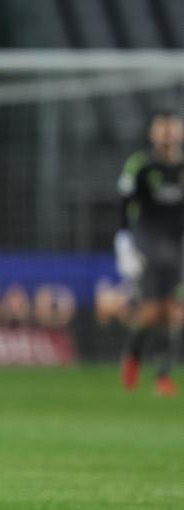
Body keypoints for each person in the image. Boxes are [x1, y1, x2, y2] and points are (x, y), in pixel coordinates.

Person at [116, 110, 184, 397]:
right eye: (162, 128)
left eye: (172, 128)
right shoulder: (140, 165)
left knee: (174, 312)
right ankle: (133, 356)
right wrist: (123, 242)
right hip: (148, 242)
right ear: (153, 133)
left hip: (178, 244)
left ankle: (163, 376)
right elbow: (124, 204)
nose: (167, 134)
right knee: (152, 311)